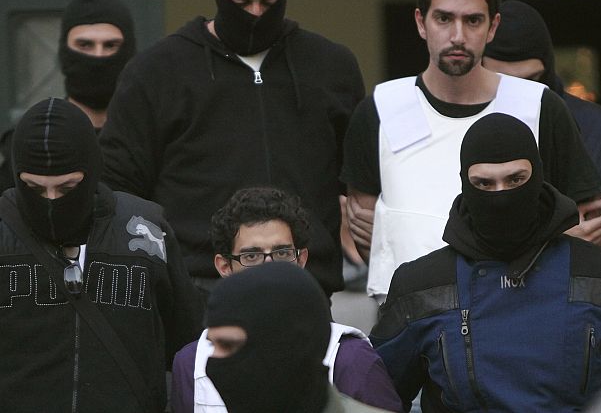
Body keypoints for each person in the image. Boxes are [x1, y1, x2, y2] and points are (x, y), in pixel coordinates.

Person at [99, 0, 364, 299]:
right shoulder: (157, 72)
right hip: (194, 289)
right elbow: (117, 190)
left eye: (269, 1)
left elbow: (360, 182)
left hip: (306, 287)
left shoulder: (331, 68)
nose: (255, 12)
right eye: (241, 1)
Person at [341, 0, 601, 302]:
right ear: (421, 22)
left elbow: (595, 226)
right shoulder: (381, 108)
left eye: (472, 20)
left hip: (521, 309)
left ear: (492, 27)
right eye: (444, 18)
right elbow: (365, 232)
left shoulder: (537, 105)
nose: (457, 36)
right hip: (411, 316)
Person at [371, 113, 601, 412]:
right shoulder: (421, 285)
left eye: (515, 179)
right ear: (465, 184)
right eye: (484, 183)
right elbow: (376, 396)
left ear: (537, 177)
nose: (501, 196)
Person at [0, 98, 201, 412]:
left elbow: (186, 340)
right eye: (35, 189)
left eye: (68, 188)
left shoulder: (143, 231)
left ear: (91, 172)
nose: (51, 201)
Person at [171, 187, 402, 412]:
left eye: (282, 253)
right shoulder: (192, 363)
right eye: (251, 256)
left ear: (301, 260)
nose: (268, 266)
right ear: (224, 266)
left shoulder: (349, 358)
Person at [482, 0, 601, 278]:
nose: (521, 94)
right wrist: (557, 247)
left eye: (531, 80)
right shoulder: (460, 133)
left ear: (547, 70)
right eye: (505, 83)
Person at [204, 262, 394, 413]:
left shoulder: (354, 361)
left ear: (286, 346)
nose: (212, 363)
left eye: (228, 345)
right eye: (212, 345)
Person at [0, 0, 136, 190]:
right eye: (85, 45)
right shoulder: (32, 141)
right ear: (65, 51)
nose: (98, 56)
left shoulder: (149, 138)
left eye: (110, 45)